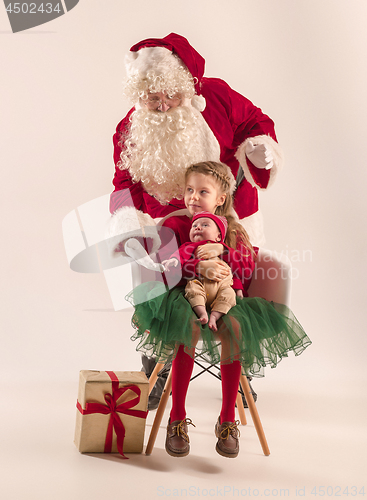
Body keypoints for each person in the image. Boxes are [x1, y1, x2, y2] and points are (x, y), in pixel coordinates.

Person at [126, 161, 311, 458]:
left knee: (235, 328)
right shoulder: (175, 225)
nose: (193, 198)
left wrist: (223, 253)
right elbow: (162, 267)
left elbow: (248, 268)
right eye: (189, 190)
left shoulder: (234, 229)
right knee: (186, 329)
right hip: (183, 298)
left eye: (202, 191)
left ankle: (227, 419)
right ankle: (177, 418)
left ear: (220, 199)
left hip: (227, 298)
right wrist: (194, 263)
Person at [164, 212, 243, 331]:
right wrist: (174, 260)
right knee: (192, 288)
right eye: (194, 226)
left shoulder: (223, 251)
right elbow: (180, 255)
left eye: (205, 225)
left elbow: (233, 271)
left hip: (221, 286)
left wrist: (238, 288)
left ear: (218, 236)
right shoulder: (190, 246)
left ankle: (215, 316)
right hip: (199, 282)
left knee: (229, 294)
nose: (198, 227)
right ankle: (202, 313)